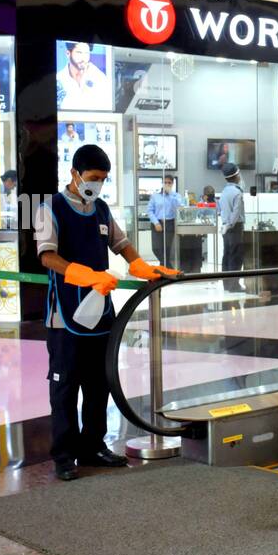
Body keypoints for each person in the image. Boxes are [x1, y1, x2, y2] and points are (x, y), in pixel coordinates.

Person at [33, 144, 180, 482]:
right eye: (93, 178)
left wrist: (143, 266)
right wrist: (84, 274)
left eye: (103, 179)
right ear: (74, 174)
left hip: (100, 314)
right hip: (64, 316)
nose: (97, 184)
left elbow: (121, 244)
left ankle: (93, 446)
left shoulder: (100, 209)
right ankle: (65, 456)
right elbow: (47, 257)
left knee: (99, 384)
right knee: (65, 388)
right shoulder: (49, 208)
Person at [218, 162, 247, 293]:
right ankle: (234, 286)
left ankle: (226, 285)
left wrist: (225, 225)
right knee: (236, 256)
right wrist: (230, 224)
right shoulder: (237, 193)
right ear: (236, 176)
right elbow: (236, 213)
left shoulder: (224, 192)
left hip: (226, 227)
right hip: (235, 227)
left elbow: (220, 210)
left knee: (227, 256)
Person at [57, 42, 110, 111]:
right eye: (79, 52)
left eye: (87, 53)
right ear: (68, 54)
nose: (83, 58)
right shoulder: (59, 79)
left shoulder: (100, 78)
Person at [147, 173, 183, 269]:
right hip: (157, 223)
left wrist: (170, 193)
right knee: (156, 248)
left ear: (172, 184)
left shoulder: (176, 196)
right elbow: (150, 211)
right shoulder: (155, 196)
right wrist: (156, 222)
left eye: (169, 183)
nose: (167, 184)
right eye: (165, 182)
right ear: (162, 183)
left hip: (169, 223)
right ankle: (168, 267)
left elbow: (178, 207)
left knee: (166, 249)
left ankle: (164, 269)